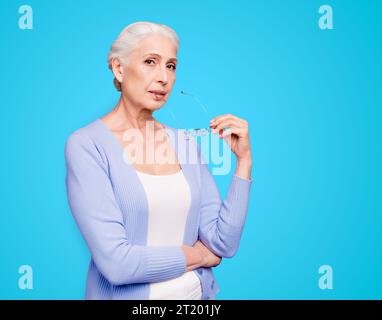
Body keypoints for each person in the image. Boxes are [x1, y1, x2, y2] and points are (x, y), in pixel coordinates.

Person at [65, 21, 253, 300]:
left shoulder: (185, 143)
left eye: (171, 66)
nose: (163, 77)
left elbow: (223, 244)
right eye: (150, 61)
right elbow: (118, 264)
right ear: (119, 68)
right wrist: (198, 255)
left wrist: (243, 162)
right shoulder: (87, 145)